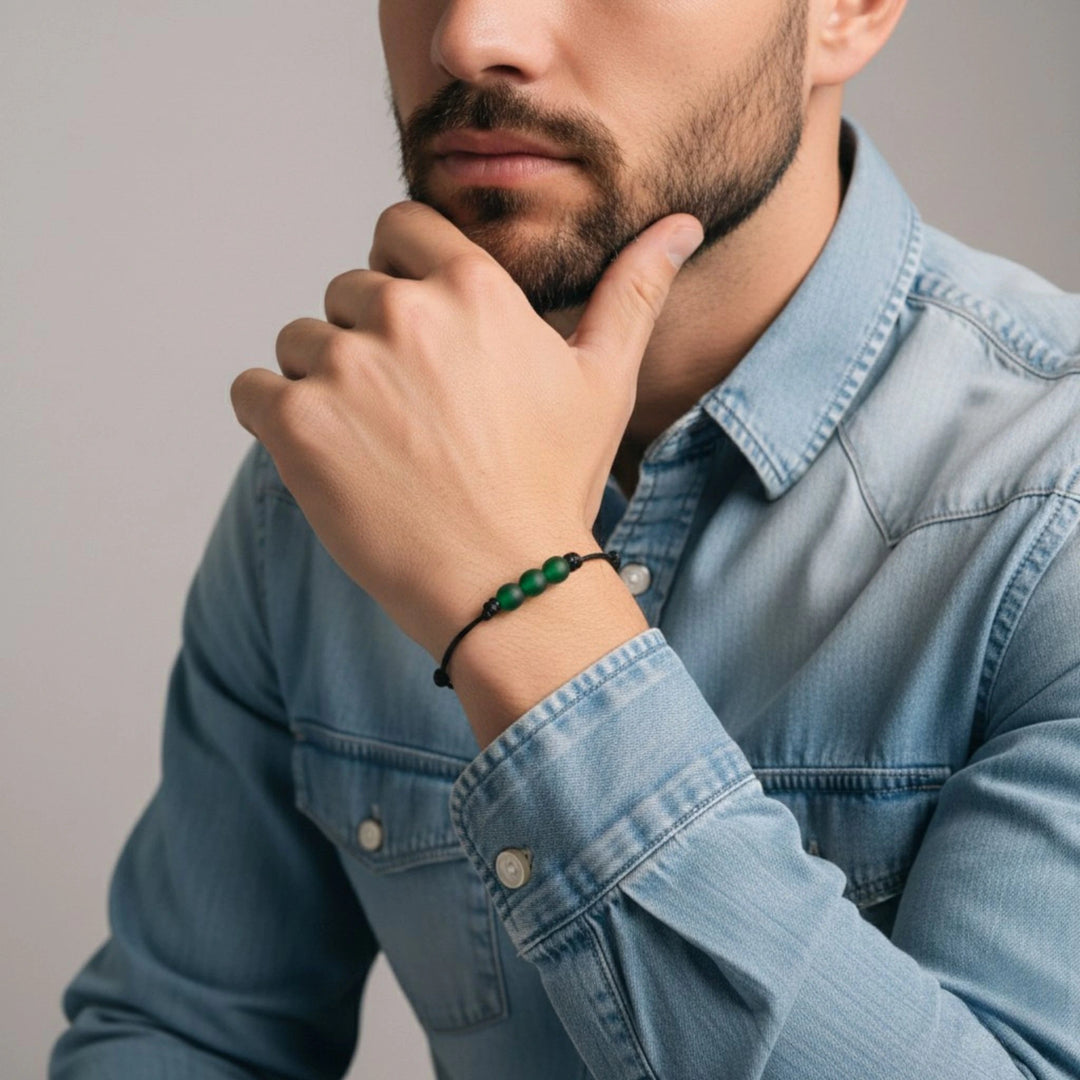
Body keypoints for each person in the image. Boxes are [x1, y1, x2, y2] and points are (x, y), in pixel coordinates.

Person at [50, 0, 1080, 1076]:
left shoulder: (1052, 501)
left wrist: (523, 600)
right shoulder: (338, 471)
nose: (468, 35)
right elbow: (183, 1033)